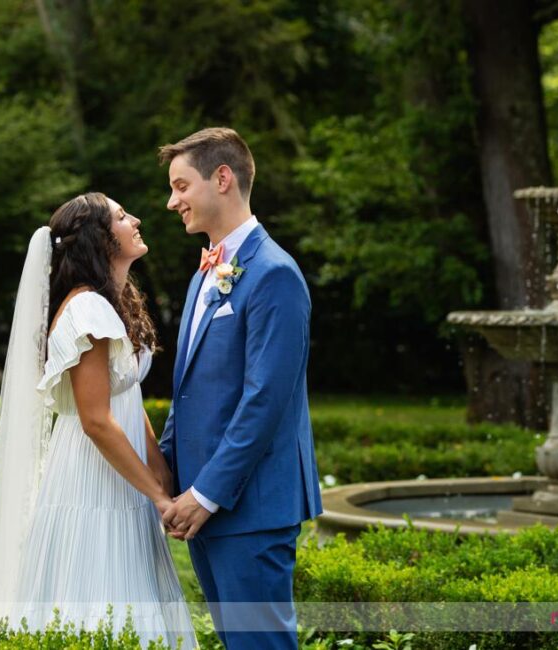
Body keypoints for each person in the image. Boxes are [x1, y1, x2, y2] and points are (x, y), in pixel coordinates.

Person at [0, 193, 197, 649]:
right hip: (92, 480)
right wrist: (158, 496)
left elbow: (129, 401)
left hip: (124, 475)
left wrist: (163, 478)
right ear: (100, 240)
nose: (136, 219)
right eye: (121, 216)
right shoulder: (87, 310)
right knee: (101, 599)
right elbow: (96, 420)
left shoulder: (114, 303)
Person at [157, 127, 322, 650]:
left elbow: (265, 402)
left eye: (181, 186)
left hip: (249, 506)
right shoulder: (203, 273)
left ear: (222, 178)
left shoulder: (275, 274)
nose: (171, 201)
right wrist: (162, 478)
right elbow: (187, 392)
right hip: (206, 506)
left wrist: (204, 495)